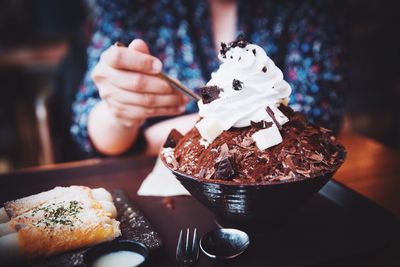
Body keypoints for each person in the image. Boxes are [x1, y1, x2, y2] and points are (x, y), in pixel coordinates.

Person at [71, 0, 346, 157]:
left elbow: (318, 115)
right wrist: (120, 115)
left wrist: (156, 137)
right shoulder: (131, 8)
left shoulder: (307, 8)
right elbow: (90, 124)